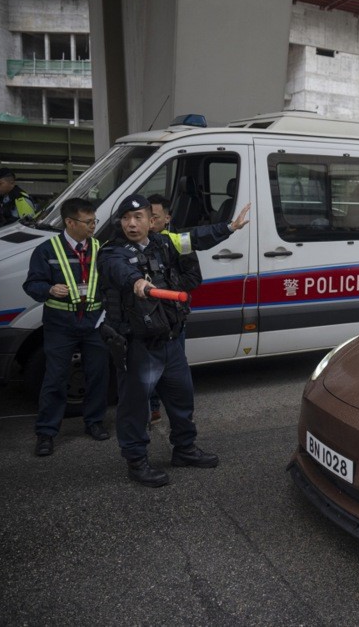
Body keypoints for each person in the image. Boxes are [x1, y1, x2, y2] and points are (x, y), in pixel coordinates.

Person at [96, 194, 218, 487]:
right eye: (126, 218)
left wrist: (229, 228)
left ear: (152, 221)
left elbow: (194, 238)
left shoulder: (163, 243)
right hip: (138, 344)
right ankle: (137, 461)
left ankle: (185, 449)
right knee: (135, 406)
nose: (131, 223)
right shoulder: (112, 252)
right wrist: (137, 282)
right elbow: (119, 271)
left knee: (181, 398)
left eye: (138, 217)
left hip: (171, 340)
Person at [144, 193, 250, 423]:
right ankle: (151, 408)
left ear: (167, 217)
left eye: (154, 217)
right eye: (145, 217)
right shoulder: (131, 244)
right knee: (144, 370)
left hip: (172, 317)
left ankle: (180, 423)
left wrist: (167, 289)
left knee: (175, 373)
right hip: (145, 319)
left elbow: (194, 273)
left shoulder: (175, 240)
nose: (149, 223)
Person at [22, 198, 109, 456]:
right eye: (88, 221)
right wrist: (49, 289)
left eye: (95, 220)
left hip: (94, 323)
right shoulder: (47, 251)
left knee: (98, 375)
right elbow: (31, 285)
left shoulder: (100, 248)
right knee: (55, 378)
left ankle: (94, 422)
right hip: (60, 325)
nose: (93, 225)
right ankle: (47, 432)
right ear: (70, 222)